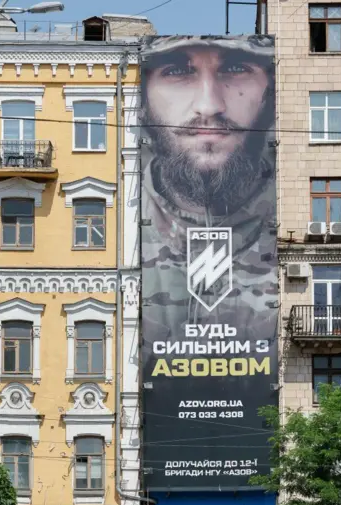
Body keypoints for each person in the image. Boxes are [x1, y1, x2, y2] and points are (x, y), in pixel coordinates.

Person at [141, 34, 277, 358]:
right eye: (176, 72)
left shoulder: (292, 214)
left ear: (269, 95)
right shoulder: (124, 225)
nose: (209, 105)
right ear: (143, 100)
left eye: (236, 69)